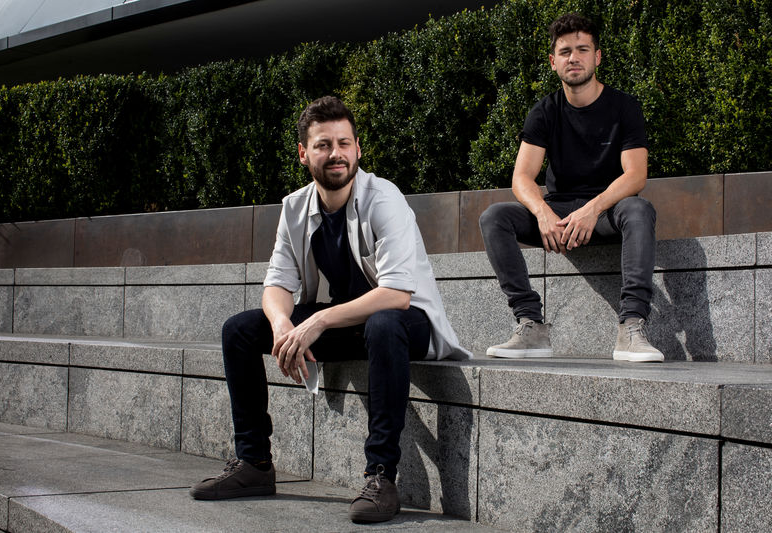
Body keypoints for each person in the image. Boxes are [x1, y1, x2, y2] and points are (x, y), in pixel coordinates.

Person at [189, 96, 471, 523]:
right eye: (323, 145)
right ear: (304, 154)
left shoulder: (384, 198)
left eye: (344, 143)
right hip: (347, 324)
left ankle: (381, 476)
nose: (335, 153)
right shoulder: (295, 207)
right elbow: (277, 283)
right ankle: (254, 465)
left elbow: (396, 294)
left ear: (358, 148)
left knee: (382, 322)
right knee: (240, 330)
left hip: (406, 323)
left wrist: (316, 322)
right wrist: (284, 324)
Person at [479, 13, 664, 363]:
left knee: (639, 209)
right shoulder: (545, 111)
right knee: (494, 217)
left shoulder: (624, 107)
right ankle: (530, 323)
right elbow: (522, 177)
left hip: (609, 211)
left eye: (582, 49)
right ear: (553, 62)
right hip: (559, 214)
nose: (573, 58)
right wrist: (544, 214)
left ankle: (632, 326)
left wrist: (592, 209)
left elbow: (635, 175)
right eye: (565, 51)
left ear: (597, 57)